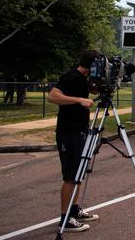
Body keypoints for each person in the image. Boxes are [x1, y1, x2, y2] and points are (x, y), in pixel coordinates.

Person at [48, 50, 100, 233]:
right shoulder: (71, 77)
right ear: (92, 65)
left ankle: (75, 210)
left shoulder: (83, 79)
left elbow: (92, 90)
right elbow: (52, 96)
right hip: (68, 133)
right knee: (70, 176)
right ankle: (65, 220)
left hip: (80, 131)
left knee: (78, 173)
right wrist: (79, 100)